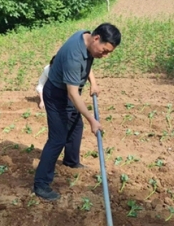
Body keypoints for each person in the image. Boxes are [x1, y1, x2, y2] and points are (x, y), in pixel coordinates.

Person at [33, 23, 121, 201]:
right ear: (97, 39)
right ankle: (41, 184)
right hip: (58, 94)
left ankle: (71, 162)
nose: (104, 56)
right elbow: (73, 94)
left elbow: (87, 61)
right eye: (104, 51)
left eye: (108, 53)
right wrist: (92, 119)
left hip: (68, 93)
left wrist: (93, 82)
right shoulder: (74, 56)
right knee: (57, 139)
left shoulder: (85, 37)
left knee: (75, 126)